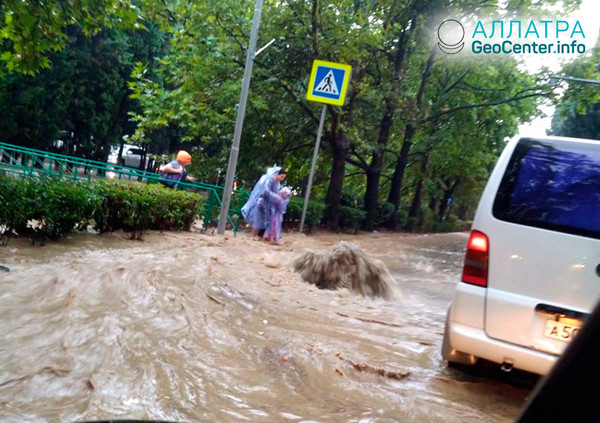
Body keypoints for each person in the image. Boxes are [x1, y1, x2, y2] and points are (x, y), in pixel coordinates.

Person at [241, 166, 287, 240]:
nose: (282, 179)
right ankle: (254, 236)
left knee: (266, 220)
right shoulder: (268, 180)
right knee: (258, 219)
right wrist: (276, 196)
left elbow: (275, 192)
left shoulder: (277, 184)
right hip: (261, 202)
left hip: (269, 204)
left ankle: (260, 236)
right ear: (277, 174)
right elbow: (266, 191)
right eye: (282, 177)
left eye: (283, 177)